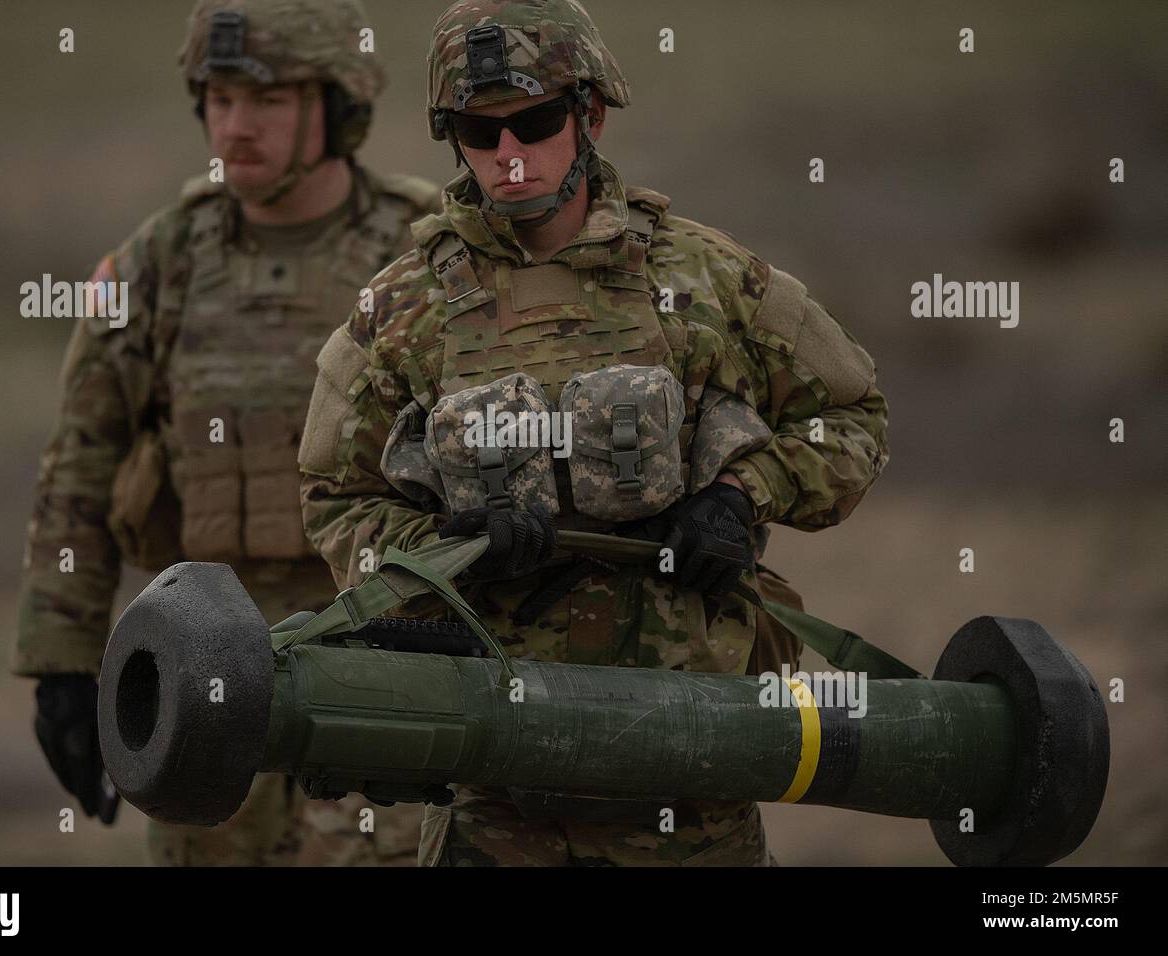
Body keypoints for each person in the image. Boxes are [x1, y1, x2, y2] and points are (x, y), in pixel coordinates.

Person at [298, 0, 889, 866]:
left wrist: (740, 497)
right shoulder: (400, 313)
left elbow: (853, 415)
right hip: (495, 791)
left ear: (590, 115)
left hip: (692, 780)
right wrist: (441, 557)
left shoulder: (706, 278)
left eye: (535, 123)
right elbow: (334, 495)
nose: (508, 156)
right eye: (477, 130)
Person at [11, 0, 437, 866]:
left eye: (267, 100)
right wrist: (62, 666)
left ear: (336, 105)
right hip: (200, 667)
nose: (235, 125)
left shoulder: (423, 253)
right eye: (218, 98)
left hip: (376, 666)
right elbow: (79, 473)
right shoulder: (157, 264)